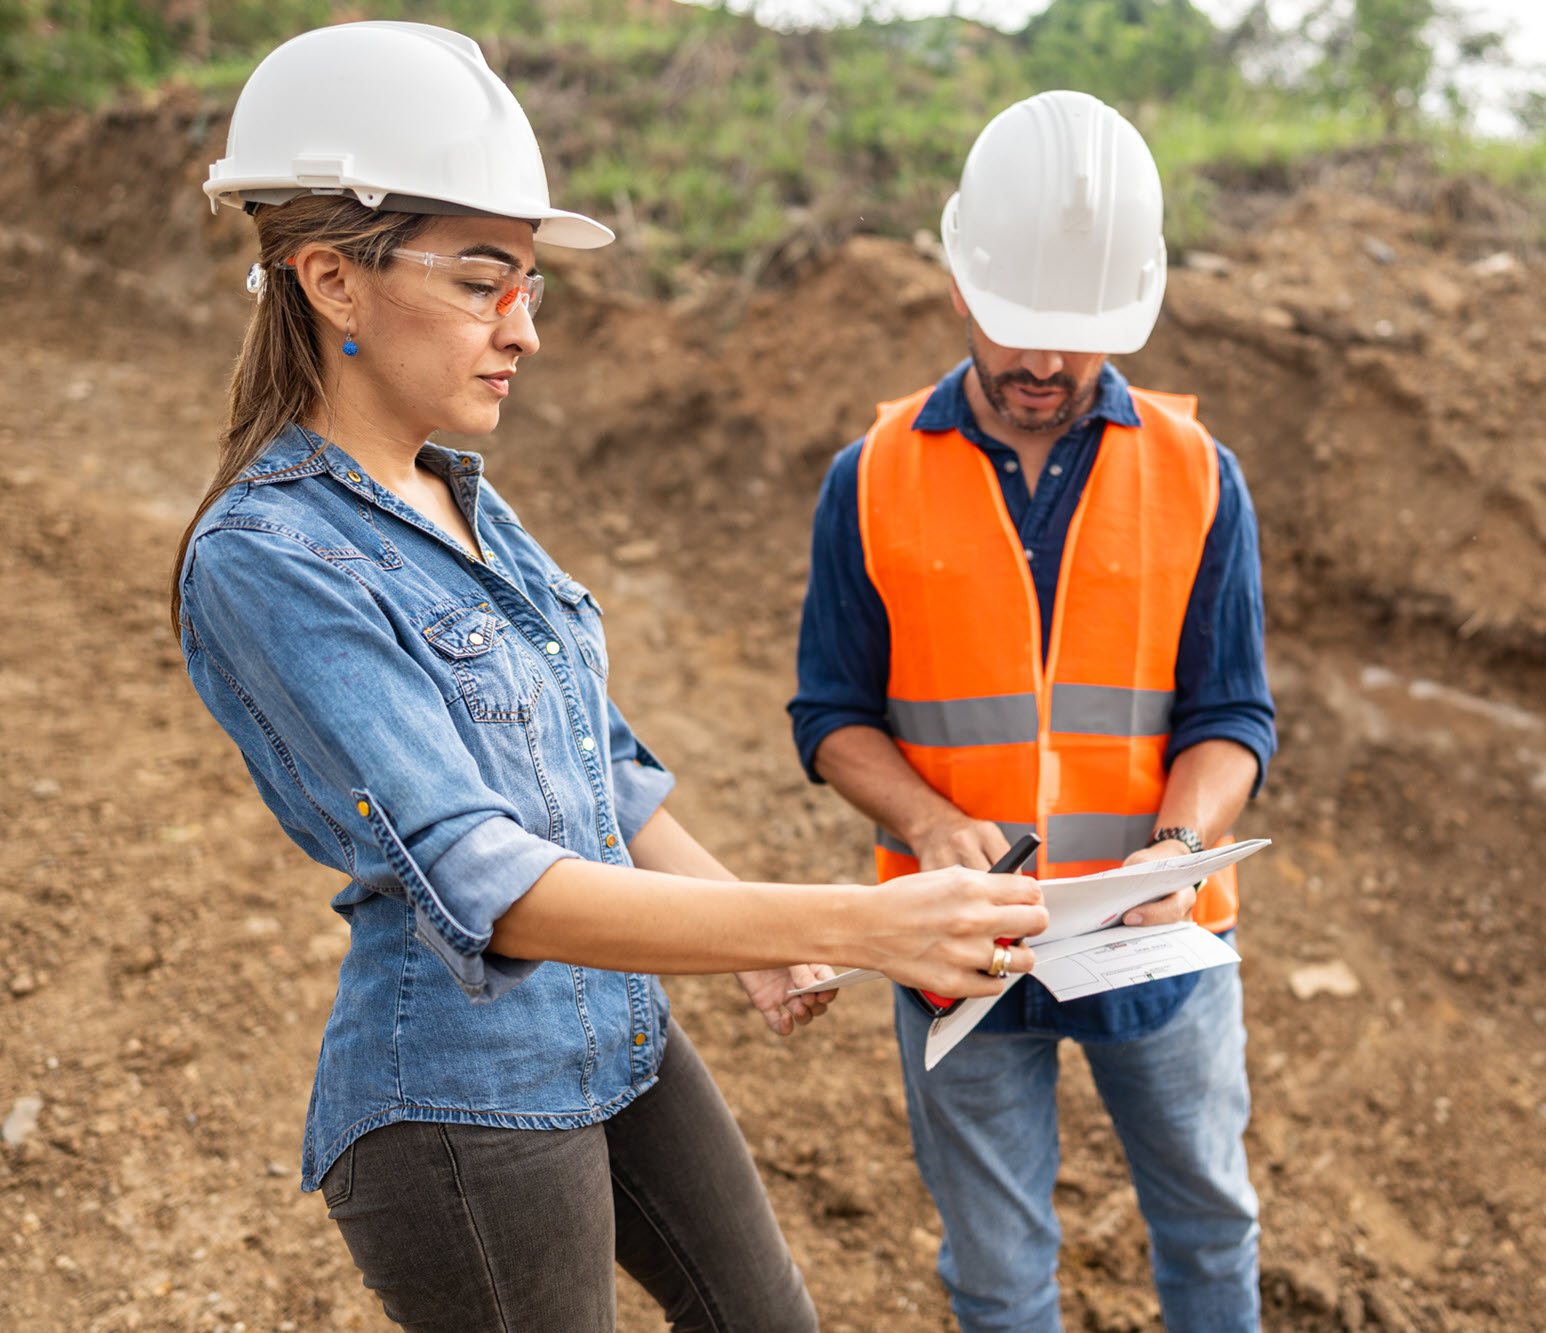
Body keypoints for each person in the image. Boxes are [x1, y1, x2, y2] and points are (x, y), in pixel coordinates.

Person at [173, 23, 1046, 1333]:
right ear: (330, 282)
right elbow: (492, 884)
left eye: (530, 283)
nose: (523, 328)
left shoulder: (457, 490)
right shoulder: (267, 560)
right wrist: (849, 922)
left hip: (621, 1038)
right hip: (460, 1104)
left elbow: (600, 768)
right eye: (483, 282)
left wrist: (751, 933)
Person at [789, 90, 1277, 1333]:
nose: (1044, 367)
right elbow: (831, 713)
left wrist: (1175, 845)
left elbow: (1231, 712)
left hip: (1158, 949)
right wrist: (928, 815)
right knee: (998, 1279)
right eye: (1018, 329)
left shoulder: (1196, 477)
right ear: (959, 285)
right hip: (961, 950)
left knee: (1210, 1229)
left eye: (1078, 337)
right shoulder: (872, 477)